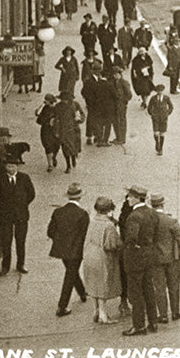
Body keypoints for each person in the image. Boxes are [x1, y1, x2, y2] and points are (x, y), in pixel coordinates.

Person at [121, 185, 159, 337]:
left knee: (135, 293)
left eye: (130, 196)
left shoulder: (134, 216)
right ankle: (153, 321)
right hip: (149, 256)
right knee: (149, 289)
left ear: (137, 198)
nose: (128, 199)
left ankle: (138, 326)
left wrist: (129, 247)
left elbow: (130, 237)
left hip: (135, 259)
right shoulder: (152, 213)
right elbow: (155, 233)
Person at [47, 183, 89, 317]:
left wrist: (60, 240)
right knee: (70, 274)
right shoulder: (82, 214)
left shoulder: (58, 212)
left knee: (71, 271)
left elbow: (50, 232)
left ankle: (82, 292)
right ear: (80, 198)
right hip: (77, 250)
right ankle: (62, 306)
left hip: (61, 249)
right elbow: (85, 235)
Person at [0, 154, 35, 276]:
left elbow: (31, 194)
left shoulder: (24, 178)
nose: (11, 169)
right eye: (9, 166)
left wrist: (22, 205)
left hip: (21, 215)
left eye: (13, 166)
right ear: (6, 167)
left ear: (17, 167)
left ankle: (20, 264)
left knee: (21, 241)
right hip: (5, 216)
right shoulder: (0, 179)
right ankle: (5, 266)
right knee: (6, 241)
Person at [83, 196, 122, 324]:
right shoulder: (109, 225)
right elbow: (111, 245)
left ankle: (96, 310)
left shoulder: (92, 221)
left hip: (89, 254)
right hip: (102, 257)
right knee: (103, 285)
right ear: (109, 209)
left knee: (94, 283)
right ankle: (103, 314)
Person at [150, 194, 180, 323]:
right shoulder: (171, 221)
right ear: (162, 205)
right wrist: (177, 250)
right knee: (174, 285)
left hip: (156, 259)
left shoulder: (150, 221)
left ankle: (163, 315)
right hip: (172, 258)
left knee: (159, 287)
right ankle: (175, 312)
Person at [53, 91, 84, 173]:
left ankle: (73, 157)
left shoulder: (75, 105)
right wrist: (56, 130)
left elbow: (81, 114)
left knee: (74, 147)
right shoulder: (58, 106)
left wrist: (80, 119)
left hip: (74, 130)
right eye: (62, 99)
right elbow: (56, 119)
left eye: (65, 100)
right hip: (63, 130)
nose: (64, 101)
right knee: (65, 148)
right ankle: (68, 165)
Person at [36, 94, 60, 172]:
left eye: (46, 100)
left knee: (56, 146)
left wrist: (55, 121)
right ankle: (50, 164)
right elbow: (39, 118)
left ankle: (54, 157)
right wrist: (39, 110)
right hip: (45, 130)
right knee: (47, 146)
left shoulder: (56, 109)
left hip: (55, 130)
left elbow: (60, 119)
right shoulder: (44, 108)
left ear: (50, 101)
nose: (45, 101)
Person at [147, 83, 174, 155]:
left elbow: (171, 107)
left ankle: (160, 149)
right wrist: (152, 114)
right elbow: (149, 107)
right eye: (158, 91)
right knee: (156, 132)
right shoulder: (153, 98)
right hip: (155, 117)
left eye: (161, 91)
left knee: (162, 133)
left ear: (163, 91)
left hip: (163, 118)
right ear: (156, 91)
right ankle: (157, 143)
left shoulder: (166, 98)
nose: (159, 92)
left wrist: (167, 113)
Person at [111, 67, 132, 145]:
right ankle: (118, 137)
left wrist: (123, 101)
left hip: (121, 105)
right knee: (115, 121)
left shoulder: (124, 83)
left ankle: (122, 139)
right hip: (114, 105)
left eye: (116, 74)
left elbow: (129, 95)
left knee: (121, 121)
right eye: (114, 74)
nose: (115, 76)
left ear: (120, 74)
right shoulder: (113, 82)